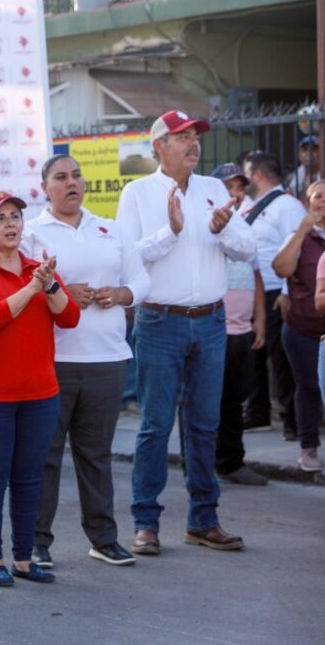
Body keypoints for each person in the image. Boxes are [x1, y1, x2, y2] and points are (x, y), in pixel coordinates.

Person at [116, 110, 255, 555]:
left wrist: (225, 227)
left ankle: (203, 520)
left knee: (204, 426)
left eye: (195, 136)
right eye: (182, 137)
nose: (193, 143)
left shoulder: (215, 189)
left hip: (211, 321)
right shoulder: (137, 193)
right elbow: (128, 259)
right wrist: (171, 231)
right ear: (160, 145)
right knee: (156, 426)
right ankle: (146, 523)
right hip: (160, 321)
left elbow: (248, 249)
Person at [21, 155, 150, 569]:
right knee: (45, 455)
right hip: (52, 361)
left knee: (95, 455)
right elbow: (19, 289)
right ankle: (36, 542)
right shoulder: (31, 234)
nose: (71, 183)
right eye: (61, 178)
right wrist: (56, 293)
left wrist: (122, 294)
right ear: (45, 188)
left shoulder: (111, 229)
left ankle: (104, 539)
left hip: (107, 360)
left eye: (77, 176)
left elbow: (141, 280)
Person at [0, 190, 80, 587]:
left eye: (15, 217)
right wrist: (31, 289)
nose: (11, 224)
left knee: (29, 478)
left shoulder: (38, 269)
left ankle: (24, 558)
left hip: (40, 395)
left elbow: (71, 319)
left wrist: (50, 286)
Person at [210, 164, 269, 485]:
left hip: (242, 332)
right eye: (228, 188)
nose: (236, 194)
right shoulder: (205, 225)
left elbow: (256, 276)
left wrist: (259, 321)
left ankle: (231, 462)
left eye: (240, 188)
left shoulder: (245, 227)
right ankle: (201, 466)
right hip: (213, 330)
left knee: (234, 400)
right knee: (205, 403)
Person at [239, 152, 304, 440]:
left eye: (245, 173)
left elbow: (298, 250)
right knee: (254, 354)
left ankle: (294, 420)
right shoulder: (247, 204)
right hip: (253, 291)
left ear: (257, 175)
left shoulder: (287, 206)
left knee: (282, 358)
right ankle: (257, 413)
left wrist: (288, 292)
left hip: (277, 291)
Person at [272, 180, 325, 473]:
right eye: (317, 197)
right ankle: (309, 448)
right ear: (307, 203)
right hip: (303, 329)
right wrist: (303, 230)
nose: (322, 202)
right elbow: (281, 268)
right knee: (308, 387)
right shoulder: (299, 236)